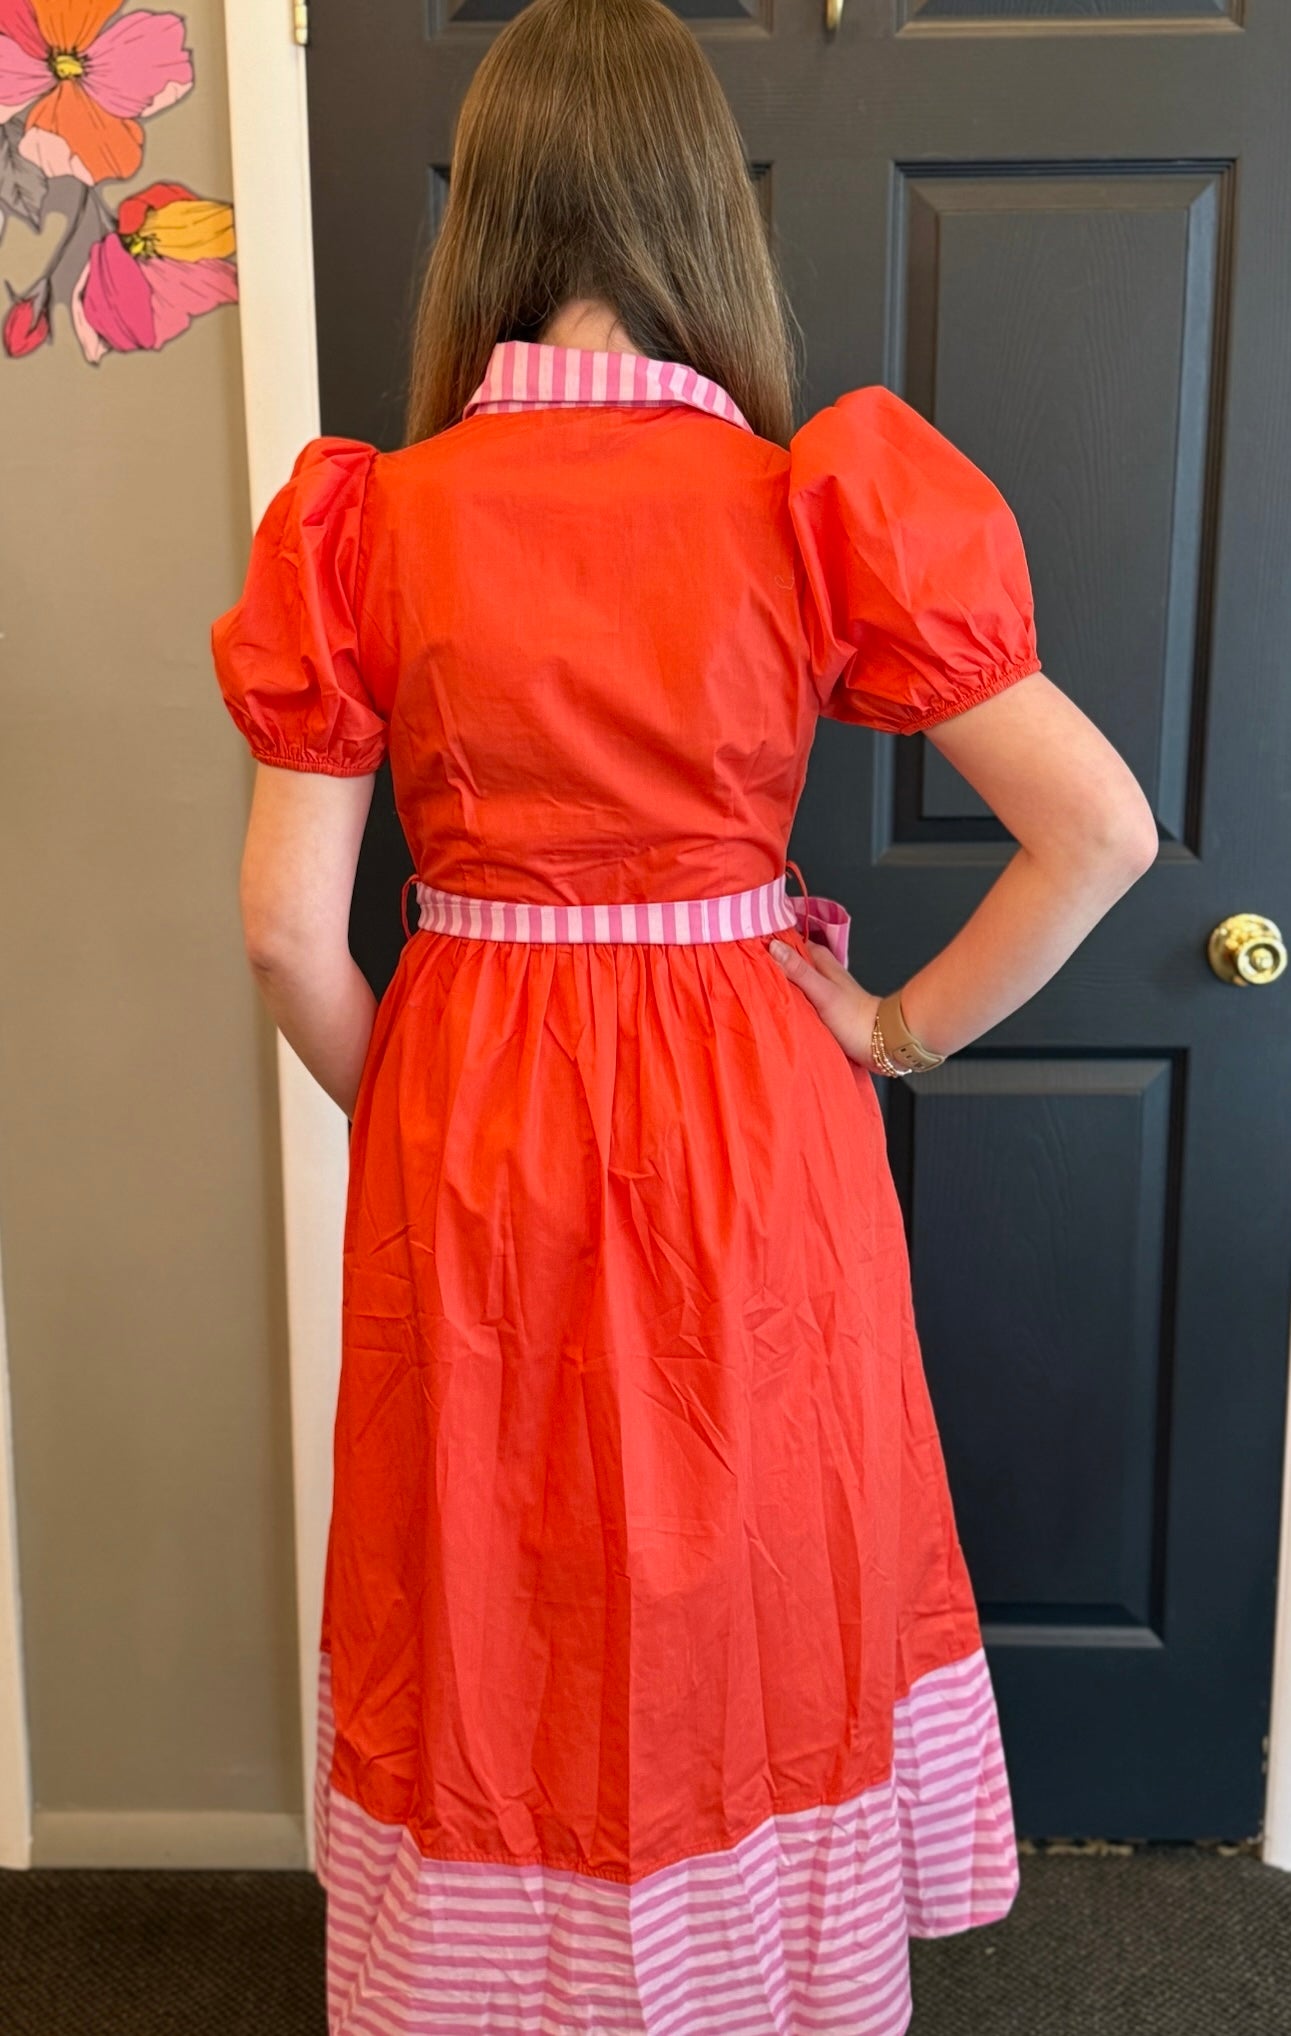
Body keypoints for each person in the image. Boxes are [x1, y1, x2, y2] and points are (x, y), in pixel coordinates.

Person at [210, 0, 1158, 2027]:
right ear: (692, 213)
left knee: (492, 1591)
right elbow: (1097, 829)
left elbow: (292, 928)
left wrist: (418, 1118)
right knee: (748, 1570)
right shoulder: (810, 499)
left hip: (471, 1114)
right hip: (750, 1104)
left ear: (490, 216)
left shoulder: (374, 518)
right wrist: (892, 1029)